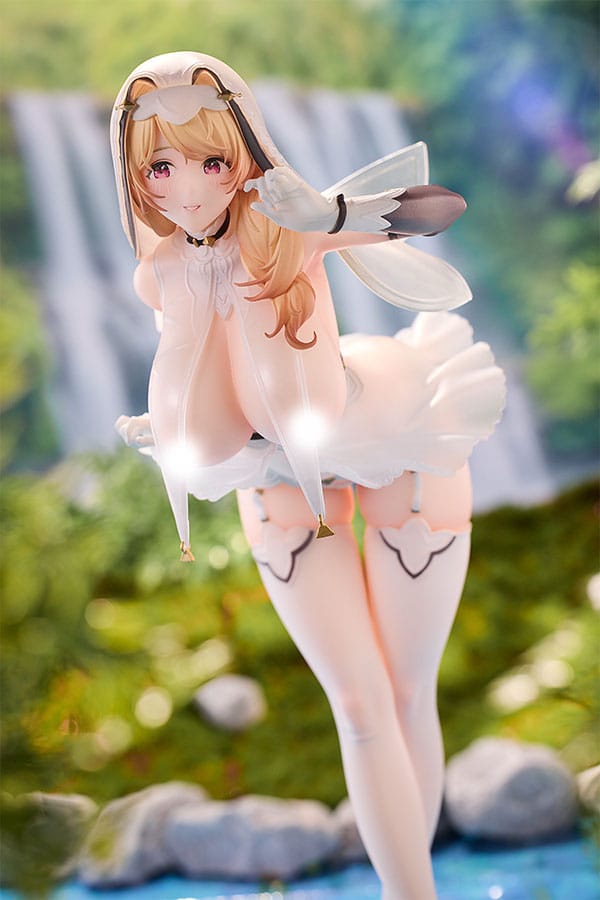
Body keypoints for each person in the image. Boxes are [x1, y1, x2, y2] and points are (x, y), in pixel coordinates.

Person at [111, 52, 505, 899]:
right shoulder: (161, 272)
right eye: (161, 167)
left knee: (406, 692)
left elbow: (437, 208)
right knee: (360, 706)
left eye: (210, 159)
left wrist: (329, 211)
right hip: (278, 471)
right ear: (135, 176)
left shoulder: (289, 223)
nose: (186, 186)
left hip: (398, 435)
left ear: (244, 150)